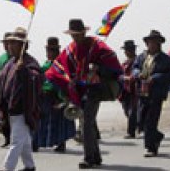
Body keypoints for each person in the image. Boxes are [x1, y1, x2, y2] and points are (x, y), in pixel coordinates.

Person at [45, 19, 123, 169]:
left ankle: (88, 158)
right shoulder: (70, 49)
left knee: (86, 122)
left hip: (95, 89)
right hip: (80, 91)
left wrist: (98, 68)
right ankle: (96, 156)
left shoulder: (97, 46)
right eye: (73, 35)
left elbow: (112, 62)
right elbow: (59, 66)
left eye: (78, 34)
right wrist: (67, 80)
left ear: (84, 32)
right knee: (88, 122)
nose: (75, 37)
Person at [0, 28, 42, 171]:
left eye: (14, 43)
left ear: (24, 46)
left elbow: (36, 80)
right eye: (9, 43)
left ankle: (7, 167)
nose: (10, 46)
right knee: (24, 140)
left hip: (23, 109)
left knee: (16, 140)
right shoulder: (10, 63)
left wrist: (24, 72)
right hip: (10, 107)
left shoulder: (30, 63)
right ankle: (29, 166)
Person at [136, 30, 170, 157]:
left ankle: (151, 147)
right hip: (142, 92)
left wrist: (155, 77)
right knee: (140, 120)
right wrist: (138, 74)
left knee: (151, 121)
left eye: (155, 41)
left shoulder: (165, 59)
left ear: (159, 43)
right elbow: (135, 67)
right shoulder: (142, 56)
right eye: (150, 41)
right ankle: (157, 136)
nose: (152, 44)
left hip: (156, 93)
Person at [34, 37, 76, 152]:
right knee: (44, 120)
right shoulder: (46, 65)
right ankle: (39, 142)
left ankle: (61, 143)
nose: (49, 53)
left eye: (51, 50)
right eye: (48, 50)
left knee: (60, 121)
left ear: (56, 51)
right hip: (45, 96)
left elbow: (65, 80)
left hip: (58, 96)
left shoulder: (62, 64)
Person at [119, 40, 139, 138]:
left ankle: (131, 132)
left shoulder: (138, 61)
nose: (126, 52)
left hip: (135, 90)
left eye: (128, 50)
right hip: (125, 91)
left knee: (132, 111)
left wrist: (128, 78)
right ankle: (137, 126)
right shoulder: (124, 63)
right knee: (127, 110)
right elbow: (120, 75)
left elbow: (136, 74)